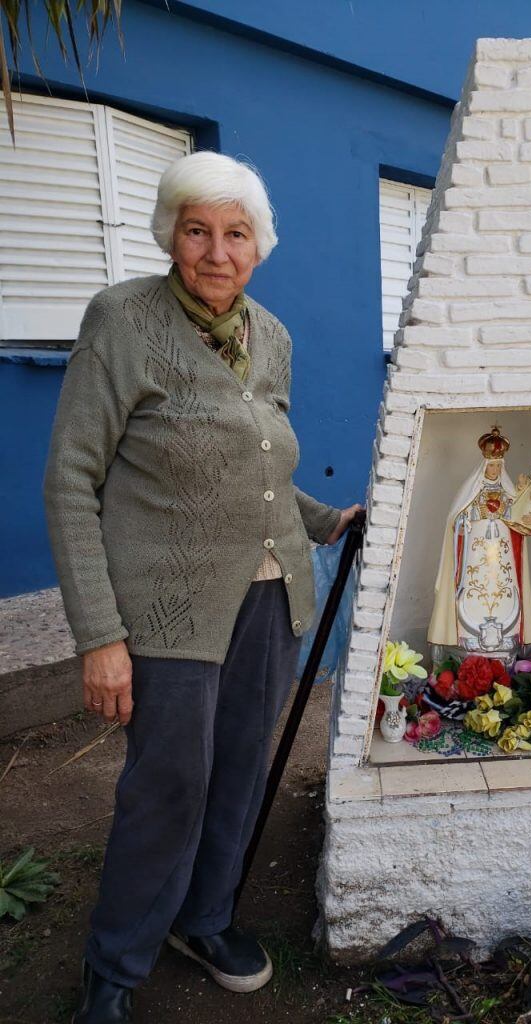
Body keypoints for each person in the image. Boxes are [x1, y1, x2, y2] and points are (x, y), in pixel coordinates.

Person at [43, 151, 361, 1024]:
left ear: (259, 246)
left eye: (236, 234)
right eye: (198, 230)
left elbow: (258, 471)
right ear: (171, 236)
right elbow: (72, 479)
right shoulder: (122, 322)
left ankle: (204, 918)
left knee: (239, 774)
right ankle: (113, 970)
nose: (217, 252)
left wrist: (328, 521)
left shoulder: (273, 335)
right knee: (168, 785)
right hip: (167, 610)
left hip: (270, 598)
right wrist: (99, 635)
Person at [428, 429, 531, 660]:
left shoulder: (510, 491)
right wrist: (476, 511)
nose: (494, 470)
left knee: (504, 591)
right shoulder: (472, 491)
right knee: (473, 590)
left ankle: (506, 639)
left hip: (502, 559)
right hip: (475, 556)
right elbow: (455, 520)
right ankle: (467, 638)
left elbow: (523, 516)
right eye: (491, 466)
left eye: (498, 466)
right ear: (484, 466)